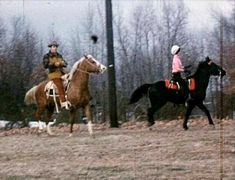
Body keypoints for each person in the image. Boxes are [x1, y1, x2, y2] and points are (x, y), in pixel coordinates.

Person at [43, 41, 70, 110]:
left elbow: (66, 63)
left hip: (61, 74)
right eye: (53, 47)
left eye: (55, 47)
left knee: (70, 81)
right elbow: (45, 65)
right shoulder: (47, 56)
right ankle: (63, 103)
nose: (54, 48)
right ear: (50, 48)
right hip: (53, 74)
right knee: (59, 85)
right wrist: (54, 64)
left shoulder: (59, 55)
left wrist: (63, 63)